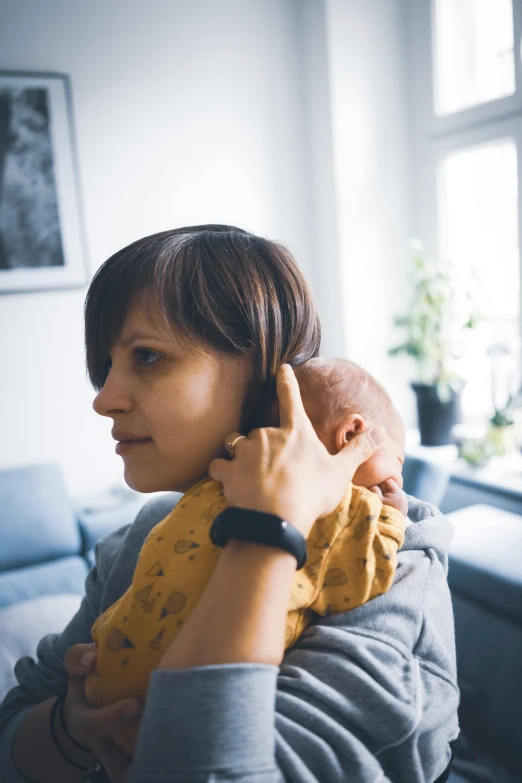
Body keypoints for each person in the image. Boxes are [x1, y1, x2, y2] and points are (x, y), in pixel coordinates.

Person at [0, 225, 460, 783]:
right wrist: (71, 731)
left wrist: (267, 531)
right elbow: (15, 723)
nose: (103, 399)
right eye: (107, 364)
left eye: (147, 356)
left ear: (268, 370)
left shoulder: (385, 561)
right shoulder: (142, 537)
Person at [83, 358, 408, 757]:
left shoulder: (214, 484)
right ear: (353, 434)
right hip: (175, 724)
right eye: (399, 461)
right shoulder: (349, 512)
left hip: (101, 674)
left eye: (148, 358)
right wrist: (393, 520)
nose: (398, 480)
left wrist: (67, 724)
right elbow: (362, 579)